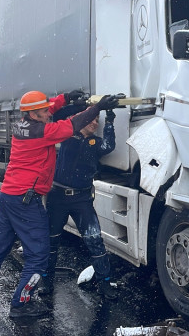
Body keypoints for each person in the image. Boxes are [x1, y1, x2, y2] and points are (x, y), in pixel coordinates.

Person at [0, 90, 119, 318]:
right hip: (25, 201)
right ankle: (21, 304)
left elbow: (49, 109)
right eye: (44, 112)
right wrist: (96, 108)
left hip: (9, 196)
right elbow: (70, 126)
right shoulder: (41, 132)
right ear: (34, 114)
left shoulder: (25, 123)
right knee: (39, 254)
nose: (49, 114)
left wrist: (66, 98)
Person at [39, 104, 118, 300]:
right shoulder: (66, 135)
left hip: (82, 199)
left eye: (96, 121)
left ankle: (105, 283)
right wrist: (79, 106)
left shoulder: (95, 142)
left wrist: (109, 120)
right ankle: (46, 282)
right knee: (51, 241)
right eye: (91, 119)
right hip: (58, 196)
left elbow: (109, 146)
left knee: (94, 241)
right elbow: (57, 117)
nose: (93, 123)